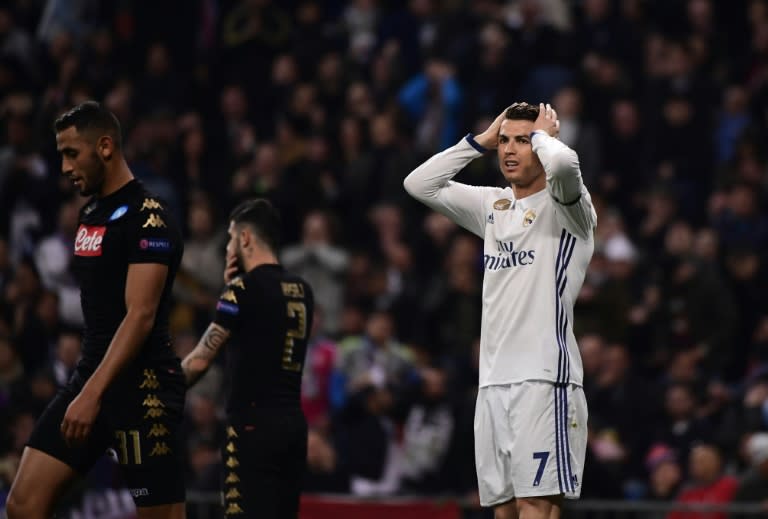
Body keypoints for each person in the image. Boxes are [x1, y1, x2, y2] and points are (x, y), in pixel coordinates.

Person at [404, 102, 597, 519]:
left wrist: (546, 138)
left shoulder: (570, 208)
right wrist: (479, 141)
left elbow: (564, 165)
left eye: (522, 141)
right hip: (492, 382)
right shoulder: (493, 207)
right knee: (504, 508)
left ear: (543, 146)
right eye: (504, 142)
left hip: (545, 380)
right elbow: (419, 184)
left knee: (536, 505)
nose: (509, 150)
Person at [6, 101, 186, 519]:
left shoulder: (149, 217)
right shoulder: (90, 213)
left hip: (143, 387)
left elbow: (139, 315)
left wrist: (91, 394)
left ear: (105, 147)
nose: (65, 167)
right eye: (60, 155)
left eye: (72, 153)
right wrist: (87, 386)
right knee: (23, 505)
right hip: (93, 373)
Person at [181, 198, 314, 519]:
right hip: (293, 428)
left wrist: (154, 392)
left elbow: (200, 361)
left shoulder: (241, 291)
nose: (227, 247)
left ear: (245, 238)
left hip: (252, 428)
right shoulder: (302, 290)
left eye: (230, 237)